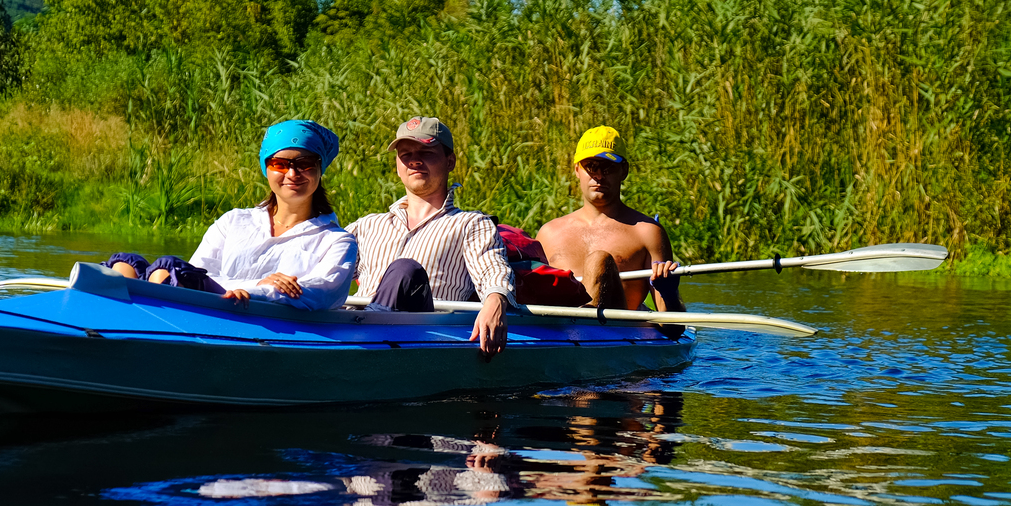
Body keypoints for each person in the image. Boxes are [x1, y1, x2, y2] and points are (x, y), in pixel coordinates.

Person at [102, 120, 356, 310]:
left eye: (305, 164)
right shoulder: (234, 221)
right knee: (129, 266)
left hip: (263, 324)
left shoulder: (337, 241)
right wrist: (259, 284)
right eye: (279, 164)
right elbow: (198, 273)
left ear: (319, 169)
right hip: (211, 310)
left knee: (166, 273)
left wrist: (255, 293)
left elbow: (320, 294)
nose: (292, 174)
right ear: (266, 169)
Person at [346, 117, 513, 357]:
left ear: (450, 161)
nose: (414, 160)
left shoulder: (470, 224)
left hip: (424, 338)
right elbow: (324, 267)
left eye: (426, 152)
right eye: (406, 155)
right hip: (353, 330)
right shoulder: (368, 225)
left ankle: (367, 348)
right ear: (397, 166)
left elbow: (492, 269)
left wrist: (496, 300)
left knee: (405, 270)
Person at [536, 126, 685, 312]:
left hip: (616, 326)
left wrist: (669, 294)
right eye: (591, 167)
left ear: (623, 171)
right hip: (558, 327)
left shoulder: (648, 232)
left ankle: (586, 322)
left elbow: (672, 325)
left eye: (608, 168)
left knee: (599, 261)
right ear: (577, 170)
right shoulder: (548, 233)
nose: (599, 176)